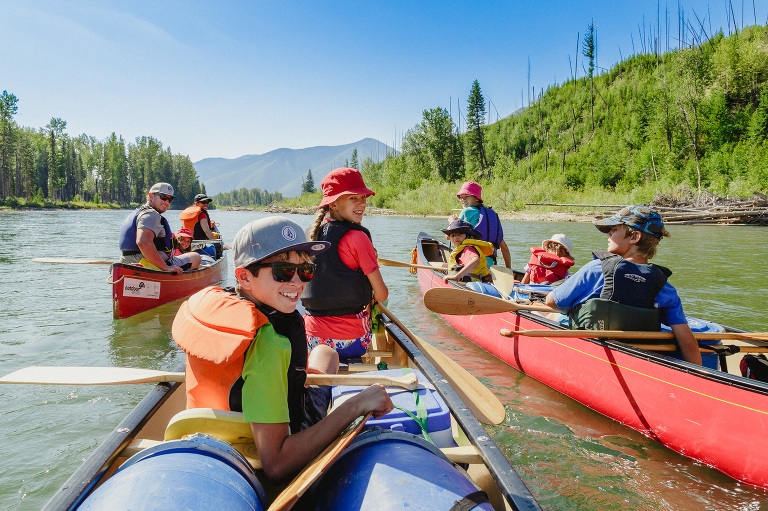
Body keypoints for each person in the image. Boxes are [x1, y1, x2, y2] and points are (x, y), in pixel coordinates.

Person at [172, 216, 393, 482]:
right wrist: (356, 405)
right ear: (244, 276)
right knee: (326, 354)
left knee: (325, 352)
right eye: (284, 271)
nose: (298, 283)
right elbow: (276, 464)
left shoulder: (223, 309)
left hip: (208, 435)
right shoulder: (269, 341)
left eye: (306, 270)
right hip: (260, 453)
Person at [544, 206, 702, 365]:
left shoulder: (595, 270)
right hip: (639, 358)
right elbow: (687, 342)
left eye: (614, 229)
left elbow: (551, 301)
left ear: (634, 237)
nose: (608, 234)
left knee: (549, 313)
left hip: (595, 355)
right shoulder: (664, 286)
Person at [302, 168, 389, 358]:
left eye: (363, 197)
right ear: (333, 204)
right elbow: (381, 295)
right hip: (351, 343)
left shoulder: (309, 234)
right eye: (352, 198)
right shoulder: (357, 237)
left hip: (311, 339)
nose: (361, 204)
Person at [118, 182, 201, 273]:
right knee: (196, 257)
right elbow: (143, 242)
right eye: (163, 197)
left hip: (126, 261)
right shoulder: (151, 215)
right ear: (151, 196)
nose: (166, 202)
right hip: (145, 264)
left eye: (170, 200)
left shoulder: (138, 212)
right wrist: (165, 268)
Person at [455, 181, 511, 269]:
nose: (463, 200)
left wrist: (452, 222)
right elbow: (505, 249)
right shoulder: (490, 215)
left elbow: (450, 237)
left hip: (470, 265)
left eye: (466, 197)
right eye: (461, 197)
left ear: (476, 198)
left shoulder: (467, 211)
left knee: (446, 266)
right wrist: (508, 270)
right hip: (489, 266)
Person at [441, 219, 494, 283]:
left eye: (460, 234)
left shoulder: (468, 249)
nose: (455, 237)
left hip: (467, 284)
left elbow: (476, 261)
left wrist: (456, 277)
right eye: (453, 235)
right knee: (445, 266)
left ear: (471, 237)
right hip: (474, 281)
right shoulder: (465, 248)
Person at [180, 193, 221, 258]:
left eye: (207, 202)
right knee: (215, 248)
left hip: (187, 245)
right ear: (196, 203)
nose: (206, 204)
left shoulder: (188, 213)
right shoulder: (202, 214)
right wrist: (216, 243)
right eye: (203, 202)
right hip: (199, 245)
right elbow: (207, 231)